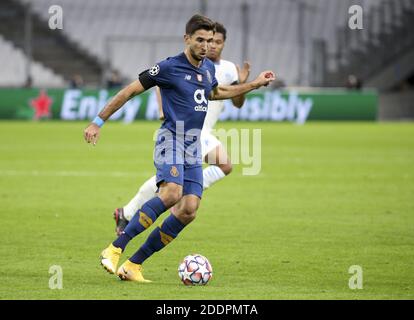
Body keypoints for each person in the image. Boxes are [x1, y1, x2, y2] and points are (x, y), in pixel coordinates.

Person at [83, 14, 275, 282]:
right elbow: (129, 91)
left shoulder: (207, 69)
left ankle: (133, 266)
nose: (206, 45)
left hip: (193, 145)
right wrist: (97, 122)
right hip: (171, 140)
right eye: (200, 40)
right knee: (172, 193)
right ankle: (115, 247)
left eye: (209, 40)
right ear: (187, 39)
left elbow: (216, 93)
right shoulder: (168, 67)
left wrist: (254, 84)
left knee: (188, 210)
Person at [113, 22, 252, 235]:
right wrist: (161, 108)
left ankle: (128, 211)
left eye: (217, 42)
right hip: (185, 131)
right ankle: (135, 210)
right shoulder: (184, 64)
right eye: (208, 41)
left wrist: (243, 84)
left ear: (223, 44)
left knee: (171, 182)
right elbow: (160, 82)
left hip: (203, 131)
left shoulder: (228, 69)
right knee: (223, 165)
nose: (211, 45)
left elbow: (238, 103)